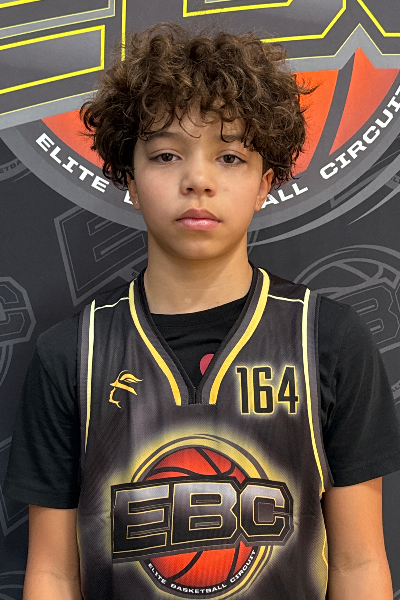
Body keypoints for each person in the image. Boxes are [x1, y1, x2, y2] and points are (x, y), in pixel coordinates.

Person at [4, 22, 400, 600]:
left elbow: (360, 564)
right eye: (166, 155)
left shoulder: (328, 341)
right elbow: (54, 574)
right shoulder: (71, 354)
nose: (197, 180)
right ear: (130, 179)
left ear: (265, 183)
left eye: (230, 156)